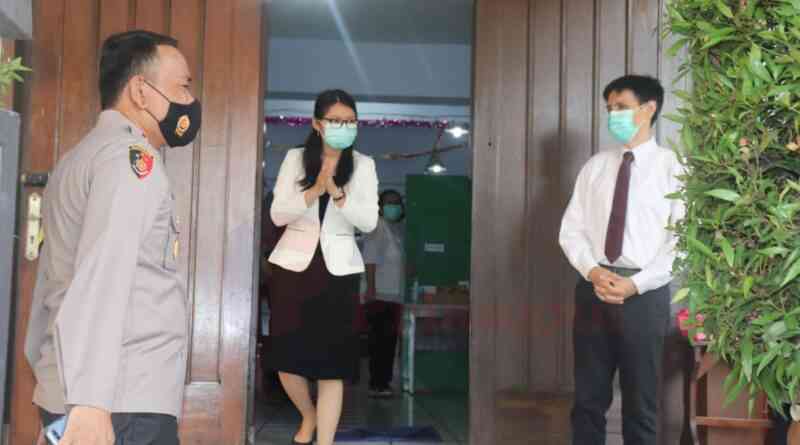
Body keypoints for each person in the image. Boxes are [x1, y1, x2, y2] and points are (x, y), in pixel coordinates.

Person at [25, 30, 200, 445]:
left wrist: (61, 394)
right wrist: (90, 403)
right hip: (120, 402)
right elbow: (104, 275)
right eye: (183, 87)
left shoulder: (79, 156)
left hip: (84, 392)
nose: (190, 101)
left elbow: (52, 284)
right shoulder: (130, 161)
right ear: (140, 91)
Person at [559, 75, 684, 444]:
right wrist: (593, 271)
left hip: (644, 295)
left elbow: (681, 244)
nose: (613, 115)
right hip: (593, 288)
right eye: (609, 108)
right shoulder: (595, 166)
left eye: (622, 107)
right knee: (587, 401)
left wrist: (635, 284)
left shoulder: (674, 168)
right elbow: (571, 230)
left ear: (649, 109)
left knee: (641, 403)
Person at [265, 89, 379, 445]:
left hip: (339, 273)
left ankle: (325, 441)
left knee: (333, 366)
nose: (344, 127)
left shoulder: (363, 165)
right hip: (293, 269)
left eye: (350, 121)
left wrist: (338, 193)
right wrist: (315, 190)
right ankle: (308, 414)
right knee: (286, 359)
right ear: (317, 124)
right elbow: (278, 214)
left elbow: (369, 221)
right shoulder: (295, 158)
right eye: (335, 121)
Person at [361, 189, 406, 398]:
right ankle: (377, 383)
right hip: (379, 295)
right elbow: (370, 260)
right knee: (379, 341)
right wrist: (371, 289)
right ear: (380, 206)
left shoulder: (395, 230)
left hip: (393, 295)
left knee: (389, 342)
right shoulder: (377, 227)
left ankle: (384, 382)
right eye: (389, 202)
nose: (393, 206)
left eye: (397, 202)